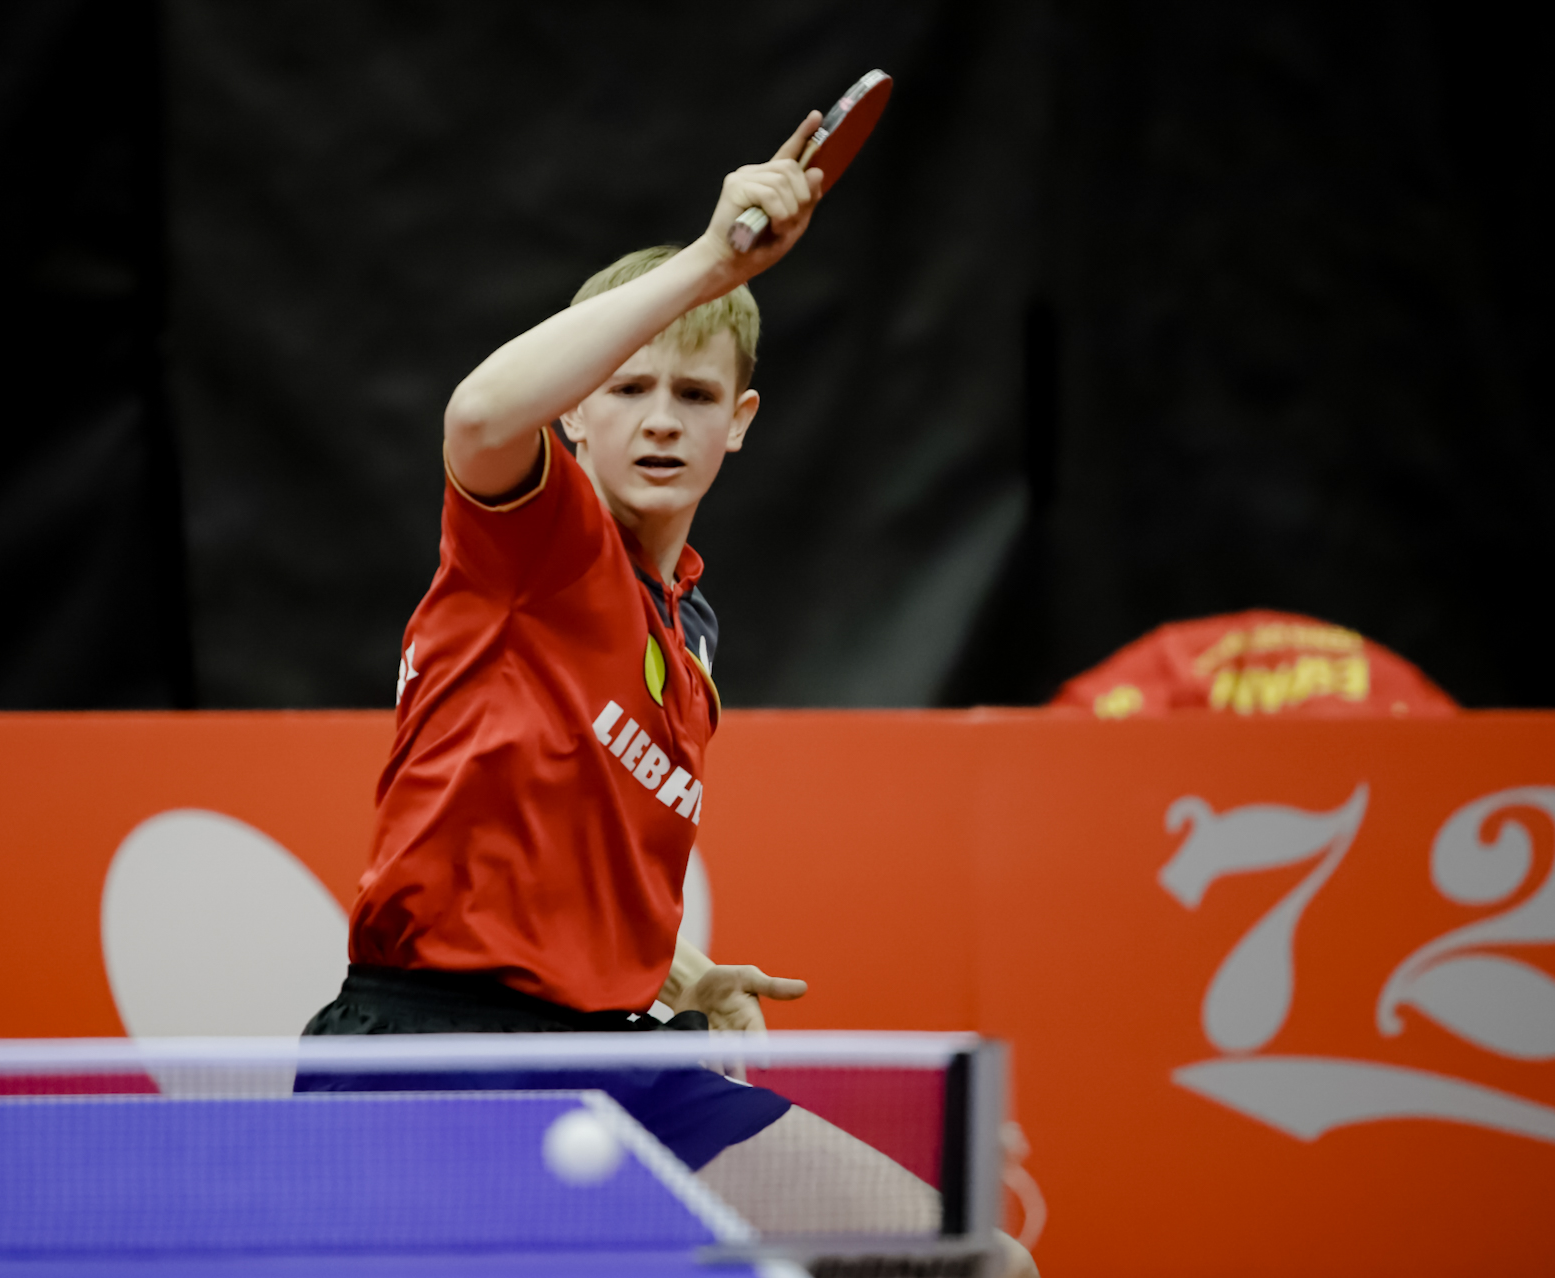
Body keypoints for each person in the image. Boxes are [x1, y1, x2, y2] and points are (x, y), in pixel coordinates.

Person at [298, 112, 1038, 1275]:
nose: (657, 419)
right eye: (628, 387)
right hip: (438, 1050)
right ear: (576, 412)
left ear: (738, 425)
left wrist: (680, 972)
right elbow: (478, 417)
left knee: (976, 1263)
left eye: (693, 395)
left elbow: (563, 856)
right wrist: (711, 264)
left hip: (619, 1057)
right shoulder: (536, 545)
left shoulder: (687, 636)